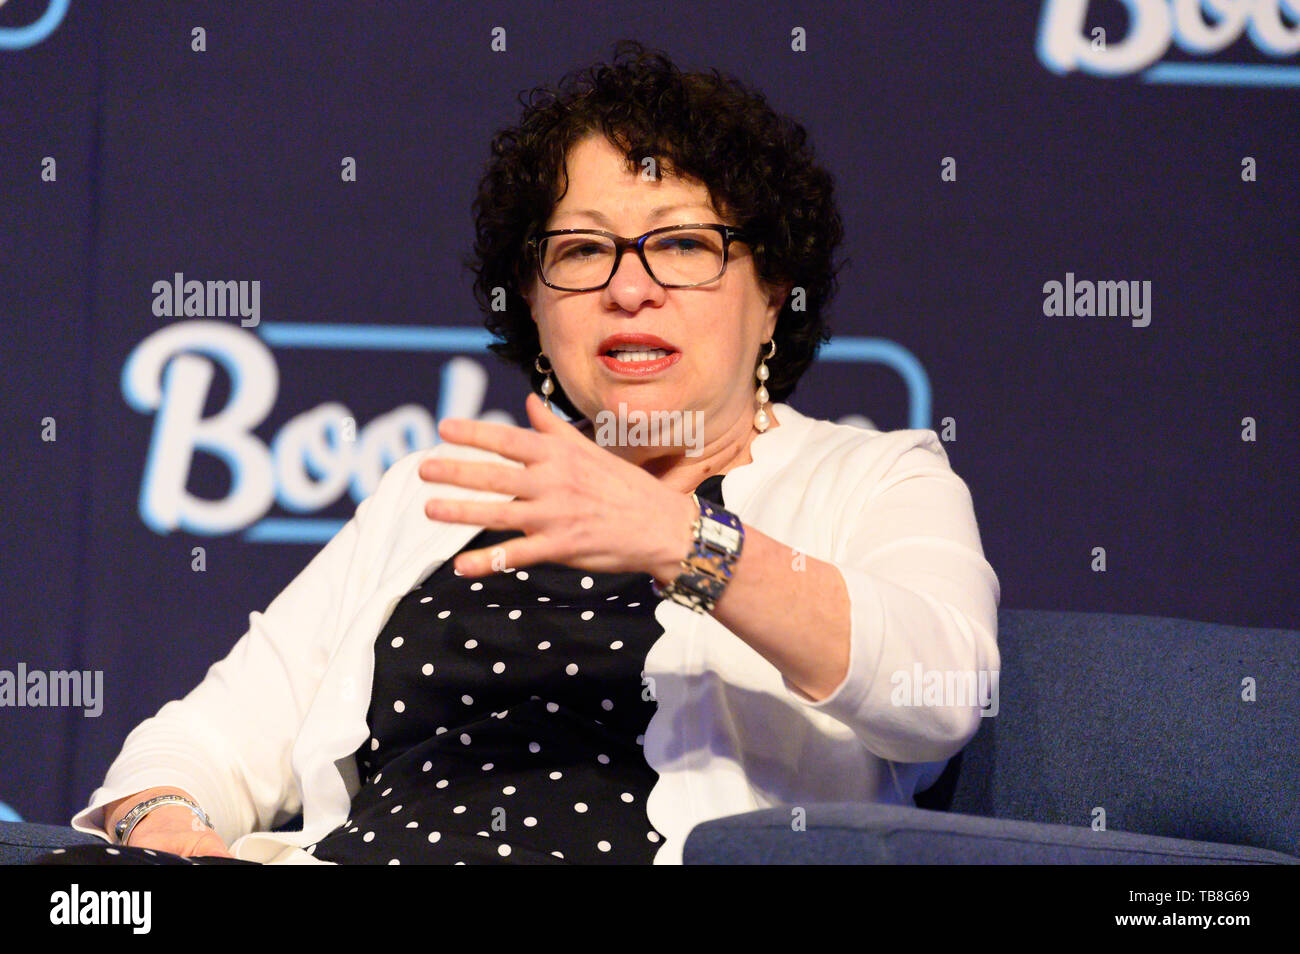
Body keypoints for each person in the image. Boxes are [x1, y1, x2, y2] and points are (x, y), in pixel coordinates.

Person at [46, 40, 999, 866]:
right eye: (583, 252)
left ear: (772, 289)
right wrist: (164, 824)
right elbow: (196, 744)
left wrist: (682, 539)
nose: (630, 289)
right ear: (536, 307)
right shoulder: (437, 497)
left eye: (681, 245)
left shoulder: (874, 478)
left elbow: (943, 690)